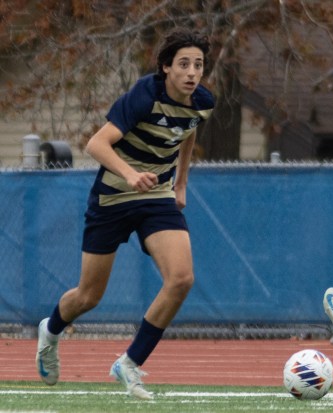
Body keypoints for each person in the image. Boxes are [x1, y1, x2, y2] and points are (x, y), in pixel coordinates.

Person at [35, 28, 215, 400]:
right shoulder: (144, 96)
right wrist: (132, 175)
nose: (191, 72)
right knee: (88, 296)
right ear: (166, 67)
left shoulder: (202, 102)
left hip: (157, 197)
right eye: (183, 64)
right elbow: (96, 144)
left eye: (198, 65)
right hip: (114, 198)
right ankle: (50, 332)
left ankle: (129, 363)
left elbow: (188, 132)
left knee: (181, 278)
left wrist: (181, 183)